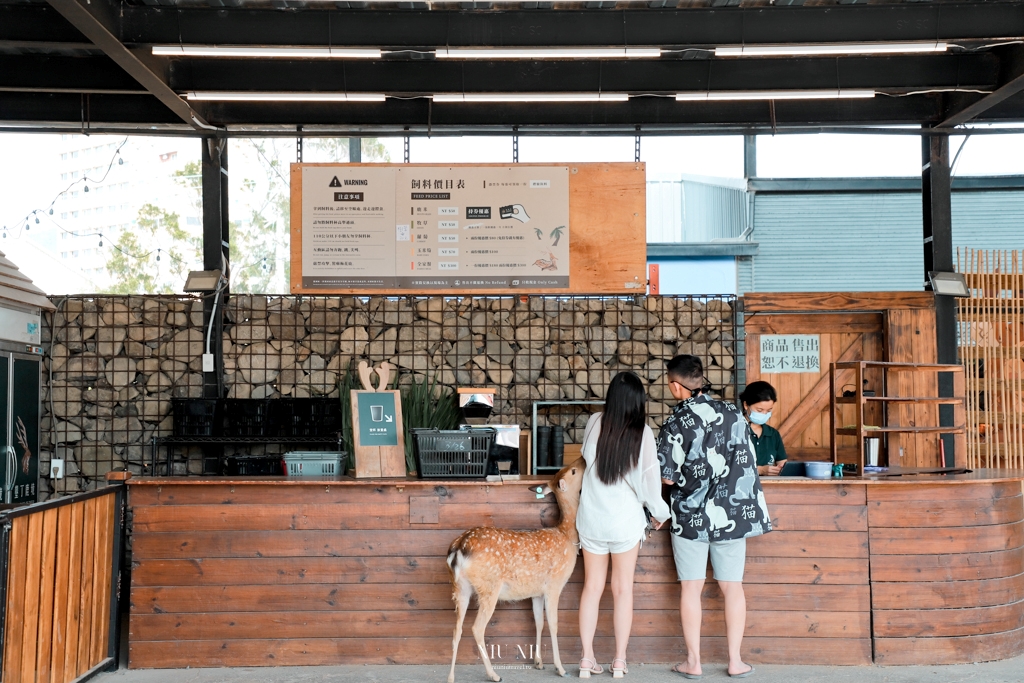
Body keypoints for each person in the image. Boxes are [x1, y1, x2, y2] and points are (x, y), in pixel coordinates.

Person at [657, 355, 772, 680]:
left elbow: (666, 477)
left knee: (690, 588)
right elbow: (748, 459)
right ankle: (735, 661)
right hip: (730, 516)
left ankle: (693, 662)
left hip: (690, 517)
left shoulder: (677, 422)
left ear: (676, 386)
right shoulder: (735, 414)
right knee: (732, 587)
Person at [576, 371, 672, 679]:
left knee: (591, 588)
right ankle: (619, 661)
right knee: (622, 590)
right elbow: (646, 482)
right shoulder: (641, 432)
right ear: (637, 401)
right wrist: (660, 512)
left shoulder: (594, 423)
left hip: (591, 520)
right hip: (623, 524)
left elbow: (587, 460)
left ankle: (586, 660)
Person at [739, 382, 788, 477]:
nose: (764, 414)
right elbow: (726, 467)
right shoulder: (733, 430)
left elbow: (783, 464)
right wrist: (760, 470)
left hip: (770, 488)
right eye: (759, 410)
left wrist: (780, 469)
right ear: (746, 405)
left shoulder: (773, 434)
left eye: (769, 410)